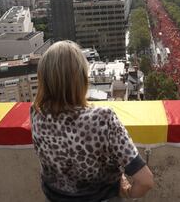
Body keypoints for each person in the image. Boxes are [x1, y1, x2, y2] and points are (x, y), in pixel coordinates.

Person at [30, 41, 154, 202]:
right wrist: (128, 192)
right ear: (81, 78)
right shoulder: (102, 119)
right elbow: (146, 181)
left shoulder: (36, 112)